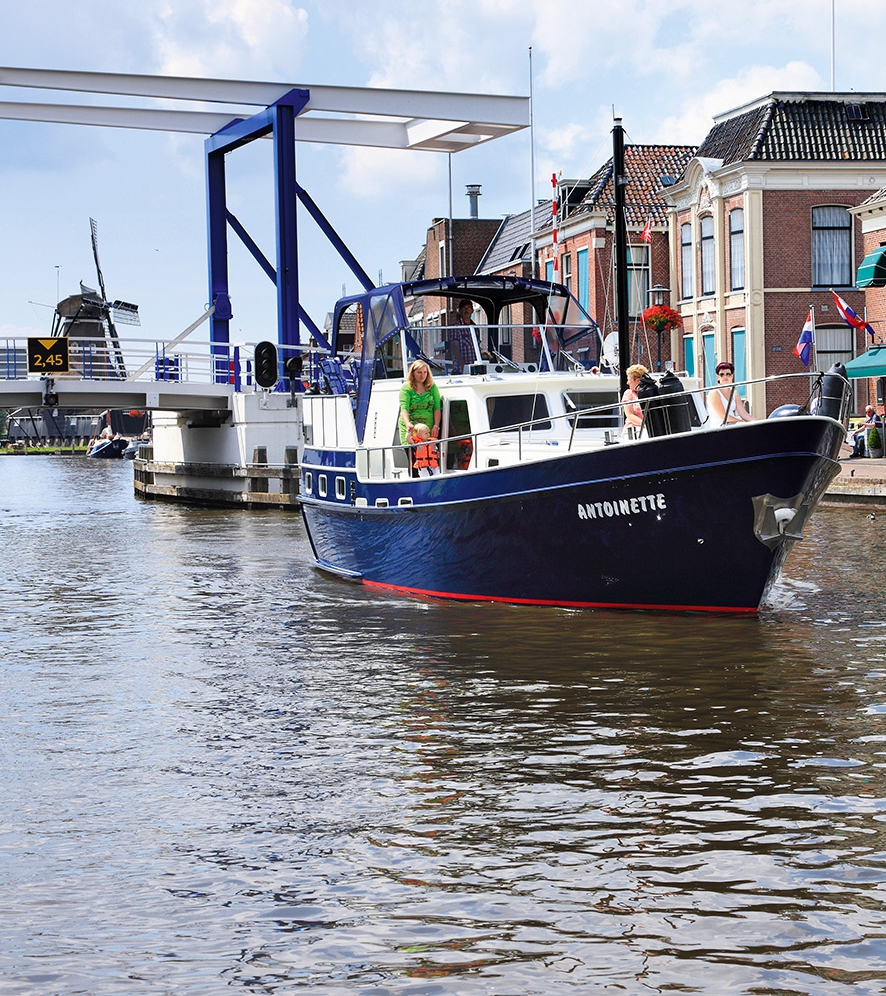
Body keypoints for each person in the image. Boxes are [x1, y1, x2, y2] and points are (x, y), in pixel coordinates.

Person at [398, 359, 441, 445]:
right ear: (413, 373)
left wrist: (436, 425)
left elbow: (437, 408)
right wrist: (407, 424)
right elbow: (404, 408)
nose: (422, 376)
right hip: (411, 428)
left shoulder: (432, 387)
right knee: (412, 454)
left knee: (428, 455)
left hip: (427, 428)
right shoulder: (406, 388)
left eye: (425, 372)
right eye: (419, 372)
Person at [450, 299, 478, 373]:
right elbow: (454, 346)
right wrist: (462, 363)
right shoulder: (456, 327)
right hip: (460, 369)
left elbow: (477, 346)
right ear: (460, 310)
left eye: (468, 308)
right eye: (464, 308)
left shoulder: (475, 327)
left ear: (472, 310)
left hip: (474, 368)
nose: (466, 311)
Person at [621, 363, 648, 432]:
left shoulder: (649, 392)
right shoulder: (628, 393)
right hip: (633, 428)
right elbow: (629, 415)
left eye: (629, 380)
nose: (627, 383)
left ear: (638, 381)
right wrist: (645, 425)